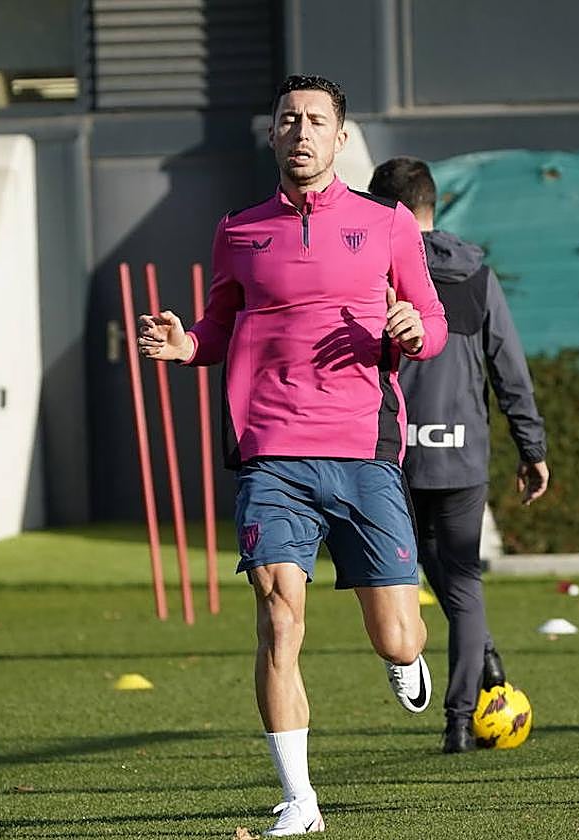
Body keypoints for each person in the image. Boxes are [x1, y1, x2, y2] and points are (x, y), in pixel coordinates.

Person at [137, 74, 447, 836]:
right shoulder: (238, 231)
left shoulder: (388, 224)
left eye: (315, 120)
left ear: (340, 137)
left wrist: (413, 330)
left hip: (364, 450)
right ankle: (299, 799)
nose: (300, 131)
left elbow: (433, 321)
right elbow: (218, 324)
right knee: (278, 621)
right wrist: (186, 345)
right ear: (273, 134)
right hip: (272, 453)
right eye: (287, 120)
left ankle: (404, 658)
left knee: (398, 633)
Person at [367, 157, 550, 754]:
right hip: (461, 452)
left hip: (392, 453)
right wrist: (531, 446)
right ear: (433, 204)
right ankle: (460, 720)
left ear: (378, 209)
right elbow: (509, 368)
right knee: (462, 580)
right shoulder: (475, 272)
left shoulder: (371, 269)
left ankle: (474, 661)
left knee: (417, 569)